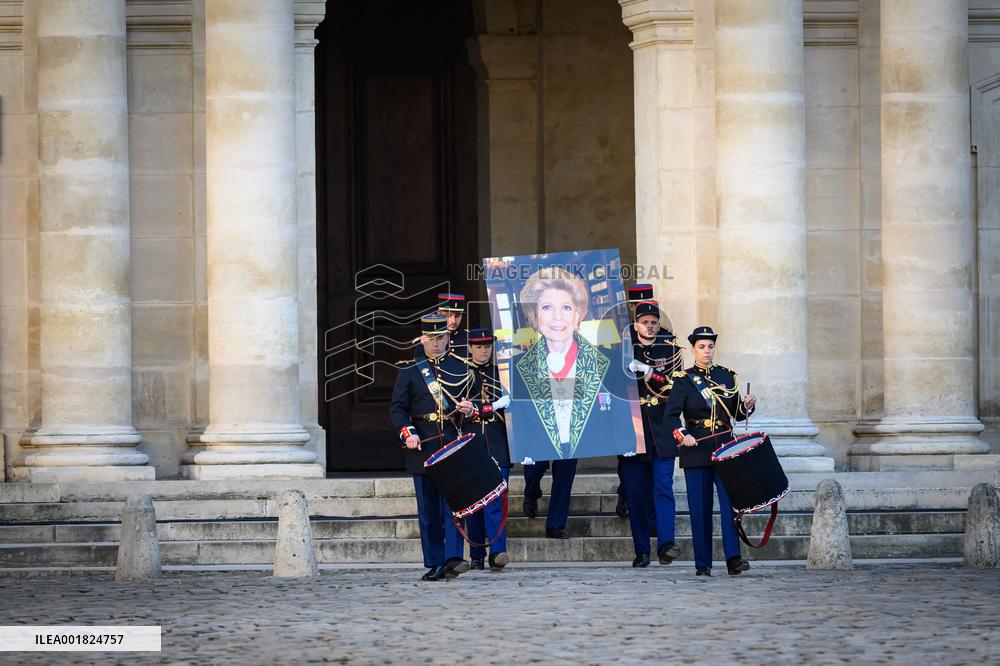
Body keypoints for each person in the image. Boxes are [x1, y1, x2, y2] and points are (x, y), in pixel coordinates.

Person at [513, 267, 632, 538]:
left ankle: (556, 523)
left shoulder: (601, 361)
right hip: (538, 431)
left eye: (566, 308)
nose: (557, 317)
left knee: (565, 472)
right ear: (534, 316)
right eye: (547, 307)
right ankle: (531, 491)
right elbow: (520, 410)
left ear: (578, 314)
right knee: (535, 467)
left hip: (572, 427)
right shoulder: (521, 364)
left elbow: (615, 403)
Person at [663, 325, 757, 576]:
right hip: (696, 448)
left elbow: (736, 413)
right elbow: (671, 417)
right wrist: (683, 435)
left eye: (710, 346)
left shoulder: (727, 377)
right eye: (702, 347)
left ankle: (733, 558)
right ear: (694, 349)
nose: (707, 351)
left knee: (731, 506)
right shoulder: (683, 380)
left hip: (725, 447)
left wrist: (747, 406)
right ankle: (703, 564)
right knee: (700, 508)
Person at [389, 313, 476, 581]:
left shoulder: (462, 367)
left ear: (448, 338)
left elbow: (476, 402)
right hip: (423, 447)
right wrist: (409, 433)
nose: (436, 344)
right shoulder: (410, 371)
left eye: (440, 338)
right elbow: (398, 408)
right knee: (429, 512)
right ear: (422, 339)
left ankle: (453, 558)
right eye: (431, 339)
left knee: (455, 507)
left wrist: (470, 408)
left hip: (452, 445)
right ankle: (435, 561)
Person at [620, 299, 684, 567]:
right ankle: (642, 550)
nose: (649, 326)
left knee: (663, 488)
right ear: (635, 325)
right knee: (635, 494)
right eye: (644, 322)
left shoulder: (671, 351)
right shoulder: (622, 352)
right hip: (631, 432)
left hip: (662, 431)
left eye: (654, 322)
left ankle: (667, 544)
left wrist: (649, 372)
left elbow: (675, 388)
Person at [465, 328, 511, 572]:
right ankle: (476, 553)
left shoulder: (501, 374)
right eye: (479, 347)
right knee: (474, 503)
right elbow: (457, 407)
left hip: (498, 443)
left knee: (497, 499)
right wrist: (489, 407)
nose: (484, 351)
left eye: (487, 346)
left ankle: (497, 552)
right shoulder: (460, 373)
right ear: (470, 348)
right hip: (472, 444)